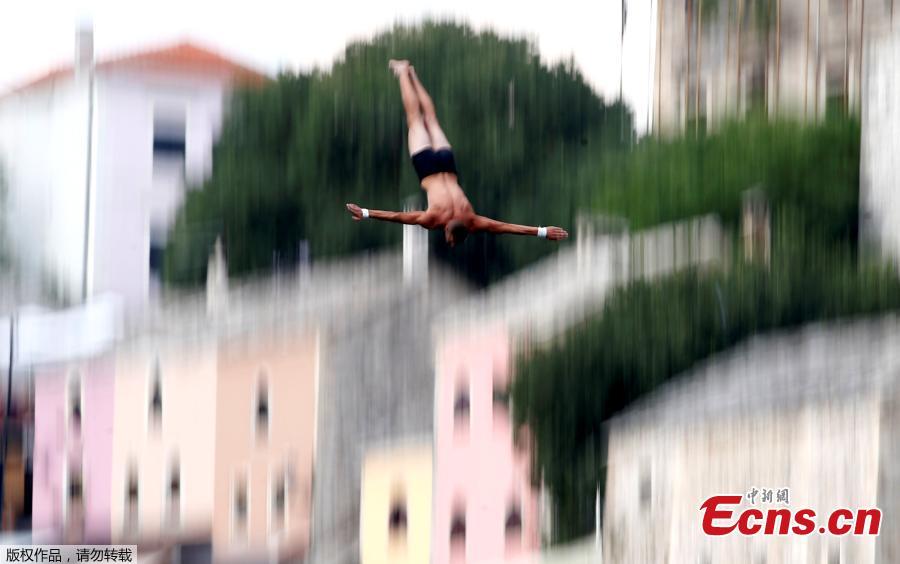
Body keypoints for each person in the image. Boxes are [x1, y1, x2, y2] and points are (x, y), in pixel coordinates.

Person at [345, 60, 568, 247]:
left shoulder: (471, 219)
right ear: (449, 233)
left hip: (447, 165)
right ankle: (403, 72)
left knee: (430, 118)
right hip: (428, 169)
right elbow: (400, 217)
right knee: (415, 118)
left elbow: (503, 227)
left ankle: (412, 74)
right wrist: (365, 212)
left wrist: (542, 231)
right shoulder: (435, 219)